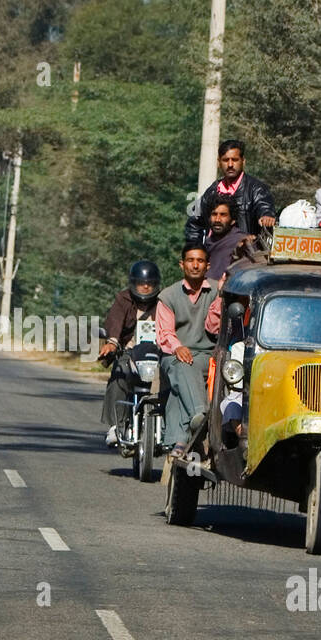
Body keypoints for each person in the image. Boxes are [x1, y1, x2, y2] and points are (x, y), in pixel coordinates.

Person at [157, 245, 220, 458]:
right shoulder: (168, 295)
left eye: (200, 261)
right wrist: (178, 347)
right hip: (173, 354)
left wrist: (222, 295)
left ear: (207, 265)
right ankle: (200, 414)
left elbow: (214, 327)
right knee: (181, 367)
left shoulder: (216, 290)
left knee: (179, 387)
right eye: (190, 260)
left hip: (205, 354)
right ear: (181, 264)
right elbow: (165, 333)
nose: (195, 265)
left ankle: (179, 441)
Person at [98, 260, 161, 445]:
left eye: (150, 284)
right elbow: (115, 322)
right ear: (134, 284)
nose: (146, 288)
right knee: (119, 374)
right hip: (130, 352)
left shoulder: (163, 302)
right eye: (142, 284)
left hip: (158, 353)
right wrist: (112, 342)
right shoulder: (123, 299)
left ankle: (174, 428)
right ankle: (115, 426)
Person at [185, 139, 277, 246]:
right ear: (218, 162)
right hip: (214, 252)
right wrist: (197, 250)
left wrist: (266, 216)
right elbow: (193, 223)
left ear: (243, 161)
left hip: (245, 255)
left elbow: (264, 208)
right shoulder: (212, 190)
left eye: (234, 159)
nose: (230, 164)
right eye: (225, 160)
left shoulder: (257, 189)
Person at [202, 195, 247, 284]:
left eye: (223, 215)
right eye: (214, 214)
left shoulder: (241, 241)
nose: (217, 219)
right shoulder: (206, 243)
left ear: (233, 220)